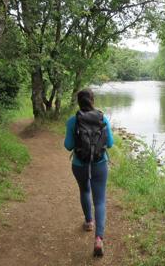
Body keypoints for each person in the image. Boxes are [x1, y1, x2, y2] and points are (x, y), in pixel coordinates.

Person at [64, 88, 114, 257]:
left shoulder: (73, 121)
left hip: (80, 164)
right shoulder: (102, 118)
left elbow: (68, 146)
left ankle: (89, 222)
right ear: (93, 100)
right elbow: (111, 144)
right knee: (99, 200)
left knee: (84, 190)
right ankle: (99, 239)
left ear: (79, 102)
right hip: (100, 164)